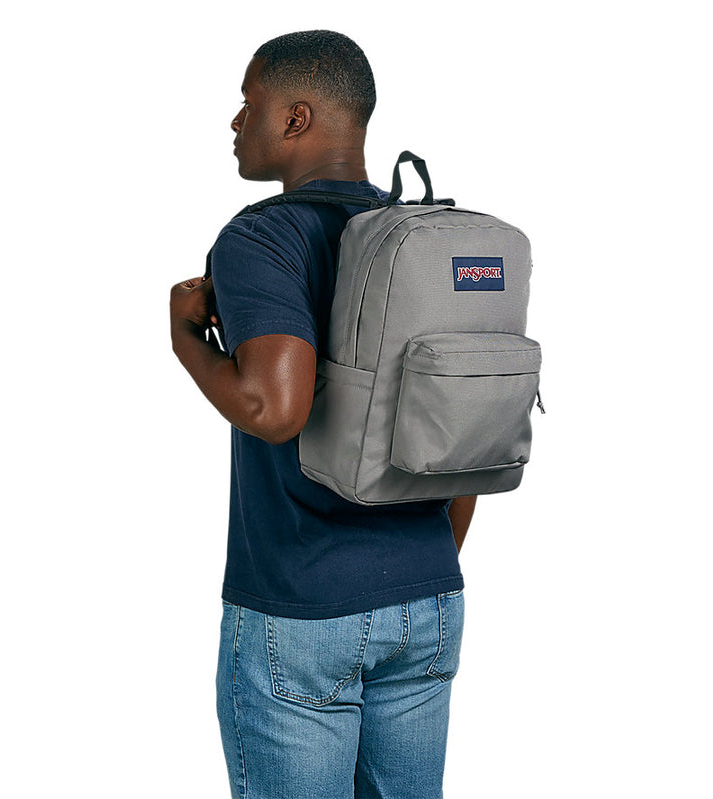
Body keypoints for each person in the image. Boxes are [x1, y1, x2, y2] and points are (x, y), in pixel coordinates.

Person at [169, 29, 477, 799]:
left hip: (303, 607)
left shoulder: (263, 236)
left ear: (296, 117)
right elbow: (465, 422)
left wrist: (186, 341)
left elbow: (273, 407)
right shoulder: (429, 238)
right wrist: (423, 561)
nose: (236, 121)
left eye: (249, 103)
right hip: (429, 598)